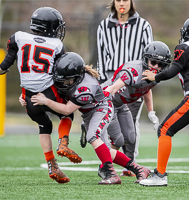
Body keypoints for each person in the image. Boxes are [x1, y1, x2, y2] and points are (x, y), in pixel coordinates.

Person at [26, 52, 151, 185]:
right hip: (87, 113)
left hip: (101, 108)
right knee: (106, 150)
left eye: (67, 79)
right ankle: (139, 169)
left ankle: (111, 174)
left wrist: (46, 101)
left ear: (77, 77)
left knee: (93, 136)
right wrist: (27, 98)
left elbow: (67, 109)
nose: (63, 82)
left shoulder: (86, 86)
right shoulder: (69, 79)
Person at [0, 7, 82, 184]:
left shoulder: (19, 37)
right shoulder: (56, 45)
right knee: (67, 114)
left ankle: (52, 164)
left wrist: (0, 70)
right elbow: (59, 72)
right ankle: (63, 143)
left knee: (44, 125)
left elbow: (8, 59)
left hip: (28, 97)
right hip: (48, 91)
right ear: (50, 26)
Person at [84, 0, 154, 176]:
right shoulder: (104, 26)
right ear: (113, 3)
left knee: (130, 127)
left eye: (125, 0)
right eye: (118, 0)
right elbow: (100, 56)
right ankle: (111, 164)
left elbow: (150, 55)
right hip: (110, 80)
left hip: (134, 82)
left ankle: (129, 163)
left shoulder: (143, 25)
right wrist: (100, 83)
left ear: (131, 2)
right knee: (111, 127)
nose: (122, 3)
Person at [101, 41, 171, 161]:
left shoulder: (155, 76)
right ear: (146, 59)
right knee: (118, 140)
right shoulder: (134, 71)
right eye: (153, 62)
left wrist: (151, 112)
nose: (156, 67)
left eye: (160, 65)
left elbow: (146, 89)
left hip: (121, 105)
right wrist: (99, 106)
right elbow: (113, 88)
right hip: (108, 101)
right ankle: (106, 168)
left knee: (130, 138)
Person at [139, 18, 189, 186]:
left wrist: (156, 76)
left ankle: (159, 176)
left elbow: (172, 71)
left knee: (165, 129)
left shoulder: (184, 47)